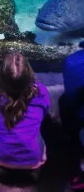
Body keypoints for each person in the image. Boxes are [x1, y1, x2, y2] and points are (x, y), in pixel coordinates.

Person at [0, 51, 50, 184]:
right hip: (33, 159)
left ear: (1, 74)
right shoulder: (41, 91)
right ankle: (34, 169)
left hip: (1, 156)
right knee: (42, 124)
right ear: (29, 74)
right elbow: (44, 113)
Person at [58, 41, 84, 190]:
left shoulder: (72, 61)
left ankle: (75, 171)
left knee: (64, 102)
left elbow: (71, 97)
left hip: (78, 114)